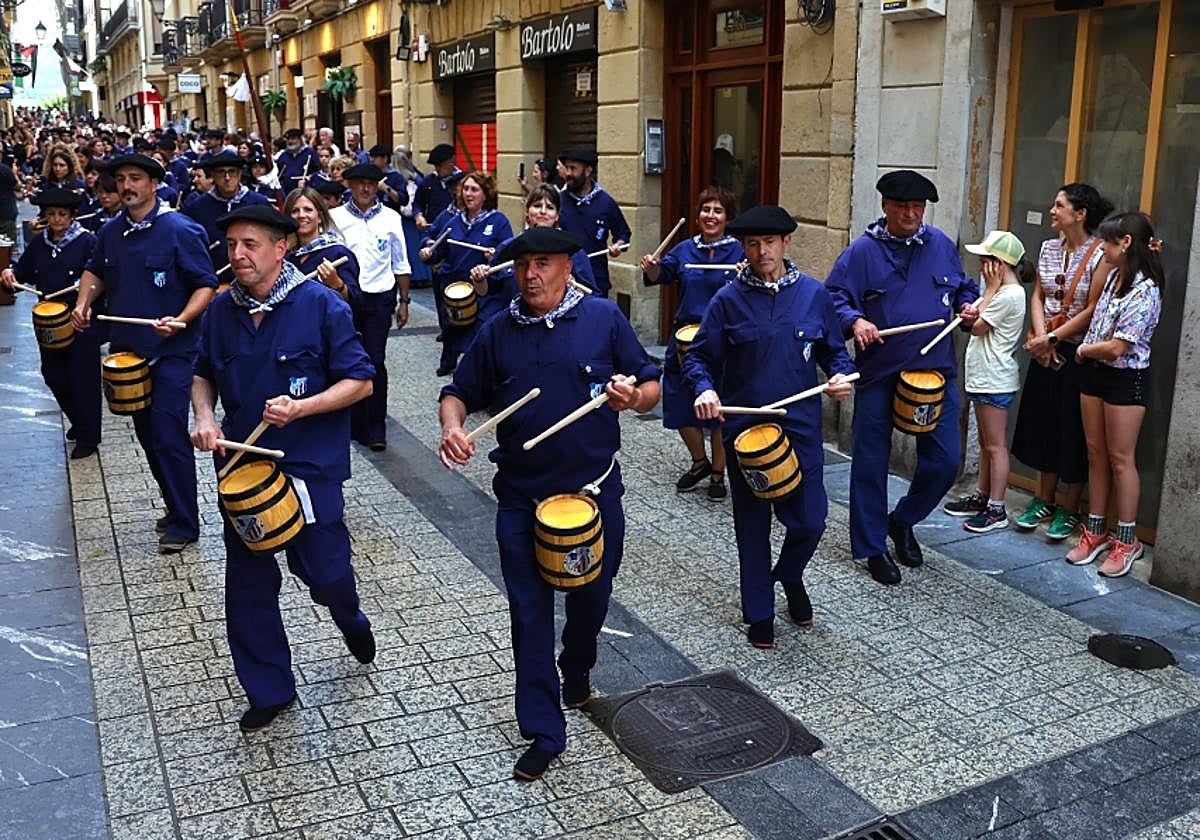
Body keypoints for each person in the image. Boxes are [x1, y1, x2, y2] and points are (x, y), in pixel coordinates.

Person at [438, 226, 661, 781]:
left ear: (568, 265)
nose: (530, 275)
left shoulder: (602, 319)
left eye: (542, 264)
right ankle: (542, 728)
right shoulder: (498, 331)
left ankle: (577, 664)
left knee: (593, 594)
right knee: (528, 610)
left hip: (592, 494)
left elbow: (652, 384)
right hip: (521, 496)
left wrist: (633, 397)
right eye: (522, 266)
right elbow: (458, 391)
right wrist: (452, 428)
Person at [191, 204, 377, 732]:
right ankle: (269, 688)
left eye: (250, 245)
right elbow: (202, 372)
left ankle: (349, 617)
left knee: (326, 574)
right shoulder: (222, 311)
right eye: (231, 246)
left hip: (308, 469)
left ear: (281, 248)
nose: (238, 255)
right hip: (243, 470)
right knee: (248, 584)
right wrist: (205, 415)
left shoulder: (320, 306)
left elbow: (359, 382)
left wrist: (303, 406)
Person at [683, 206, 855, 647]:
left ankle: (790, 575)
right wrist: (704, 389)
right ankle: (759, 611)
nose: (762, 252)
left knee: (811, 520)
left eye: (770, 243)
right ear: (744, 247)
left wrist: (840, 376)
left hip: (799, 427)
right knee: (752, 522)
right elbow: (699, 357)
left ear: (787, 244)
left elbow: (833, 352)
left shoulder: (814, 295)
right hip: (744, 428)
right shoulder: (727, 300)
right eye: (754, 244)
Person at [826, 170, 979, 585]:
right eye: (903, 207)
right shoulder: (861, 253)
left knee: (946, 459)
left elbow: (964, 287)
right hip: (879, 371)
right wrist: (854, 320)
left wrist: (969, 307)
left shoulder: (942, 246)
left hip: (935, 372)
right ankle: (872, 547)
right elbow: (834, 299)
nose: (911, 213)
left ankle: (903, 519)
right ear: (885, 207)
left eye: (918, 207)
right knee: (871, 461)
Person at [70, 154, 217, 553]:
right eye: (120, 180)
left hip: (174, 352)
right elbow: (94, 270)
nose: (126, 186)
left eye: (135, 178)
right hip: (128, 353)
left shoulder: (181, 230)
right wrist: (83, 304)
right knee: (148, 437)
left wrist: (181, 318)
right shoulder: (110, 231)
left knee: (169, 435)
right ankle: (175, 505)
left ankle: (186, 524)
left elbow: (206, 285)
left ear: (154, 184)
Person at [1010, 184, 1113, 540]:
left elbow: (1092, 308)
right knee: (1041, 420)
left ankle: (1071, 507)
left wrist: (1052, 339)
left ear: (1080, 213)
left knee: (1072, 428)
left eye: (1059, 205)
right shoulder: (1048, 247)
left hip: (1077, 351)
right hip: (1045, 347)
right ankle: (1043, 497)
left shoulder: (1100, 253)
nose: (1052, 211)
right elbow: (1038, 293)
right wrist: (1040, 338)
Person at [1066, 213, 1164, 577]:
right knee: (1095, 453)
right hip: (1094, 374)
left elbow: (1117, 348)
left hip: (1124, 378)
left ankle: (1127, 538)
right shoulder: (1111, 278)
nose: (1102, 247)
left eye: (1108, 241)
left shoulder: (1146, 290)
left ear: (1125, 244)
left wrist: (1083, 351)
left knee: (1121, 457)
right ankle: (1094, 530)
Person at [642, 186, 744, 501]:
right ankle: (699, 462)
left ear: (728, 217)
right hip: (684, 336)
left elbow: (756, 284)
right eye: (705, 210)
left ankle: (718, 472)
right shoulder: (685, 249)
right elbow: (662, 274)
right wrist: (652, 267)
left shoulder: (740, 251)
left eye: (717, 211)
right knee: (676, 401)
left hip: (721, 339)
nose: (710, 216)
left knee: (718, 408)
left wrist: (746, 274)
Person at [0, 186, 102, 457]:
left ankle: (89, 437)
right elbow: (21, 273)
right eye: (52, 214)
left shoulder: (88, 242)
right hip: (49, 324)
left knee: (83, 378)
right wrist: (10, 275)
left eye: (62, 214)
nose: (57, 219)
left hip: (81, 320)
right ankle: (79, 420)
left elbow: (100, 278)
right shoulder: (39, 244)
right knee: (53, 375)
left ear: (72, 216)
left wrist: (87, 304)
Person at [945, 231, 1031, 532]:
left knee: (995, 446)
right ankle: (982, 496)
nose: (982, 265)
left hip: (995, 378)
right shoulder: (998, 292)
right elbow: (972, 319)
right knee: (985, 443)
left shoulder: (1009, 294)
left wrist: (990, 290)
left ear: (1000, 264)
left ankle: (996, 508)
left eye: (987, 260)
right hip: (984, 377)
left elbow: (979, 328)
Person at [330, 163, 411, 450]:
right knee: (347, 358)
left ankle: (376, 426)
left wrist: (404, 301)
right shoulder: (334, 218)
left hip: (379, 299)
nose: (365, 188)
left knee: (375, 360)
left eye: (370, 183)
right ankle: (351, 421)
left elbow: (400, 262)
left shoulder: (390, 218)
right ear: (349, 186)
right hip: (344, 298)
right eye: (359, 183)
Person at [420, 171, 513, 376]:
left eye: (474, 190)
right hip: (453, 283)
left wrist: (494, 256)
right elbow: (438, 247)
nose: (468, 194)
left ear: (485, 194)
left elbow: (508, 254)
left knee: (479, 328)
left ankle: (475, 371)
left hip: (483, 287)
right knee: (450, 324)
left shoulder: (498, 221)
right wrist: (428, 250)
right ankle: (448, 361)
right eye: (466, 189)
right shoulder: (453, 221)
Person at [468, 184, 597, 327]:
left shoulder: (574, 253)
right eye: (537, 205)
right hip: (514, 329)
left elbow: (591, 297)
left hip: (560, 330)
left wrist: (573, 288)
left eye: (550, 207)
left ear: (557, 216)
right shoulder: (508, 248)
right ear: (527, 213)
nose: (543, 212)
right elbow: (487, 292)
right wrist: (479, 280)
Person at [556, 149, 630, 299]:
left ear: (588, 171)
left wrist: (618, 246)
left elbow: (624, 234)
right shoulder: (558, 201)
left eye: (573, 168)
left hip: (596, 281)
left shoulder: (606, 203)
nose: (568, 173)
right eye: (567, 168)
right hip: (562, 279)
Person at [182, 152, 272, 275]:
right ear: (213, 175)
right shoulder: (198, 207)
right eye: (221, 172)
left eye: (232, 172)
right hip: (213, 278)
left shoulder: (258, 203)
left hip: (253, 276)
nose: (227, 177)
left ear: (239, 174)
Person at [284, 186, 360, 307]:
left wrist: (336, 283)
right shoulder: (287, 258)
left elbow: (355, 302)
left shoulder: (339, 253)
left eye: (308, 210)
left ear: (319, 217)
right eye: (295, 211)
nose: (301, 215)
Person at [412, 143, 461, 232]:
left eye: (440, 165)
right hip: (435, 229)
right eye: (435, 166)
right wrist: (419, 216)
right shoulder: (428, 181)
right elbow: (418, 203)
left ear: (452, 162)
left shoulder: (463, 181)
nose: (437, 169)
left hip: (458, 229)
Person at [275, 128, 320, 194]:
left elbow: (317, 172)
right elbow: (278, 173)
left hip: (306, 192)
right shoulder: (283, 156)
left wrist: (309, 179)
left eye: (293, 139)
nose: (290, 141)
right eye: (288, 139)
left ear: (300, 139)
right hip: (287, 193)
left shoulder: (310, 153)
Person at [368, 144, 408, 213]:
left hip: (390, 215)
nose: (371, 160)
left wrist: (385, 188)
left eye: (375, 157)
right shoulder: (368, 174)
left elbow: (403, 200)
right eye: (370, 157)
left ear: (385, 158)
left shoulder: (396, 177)